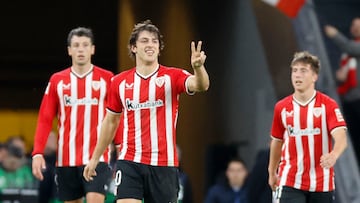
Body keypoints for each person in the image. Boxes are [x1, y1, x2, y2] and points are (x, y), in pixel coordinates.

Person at [83, 19, 210, 203]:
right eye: (144, 41)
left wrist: (198, 69)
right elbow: (111, 121)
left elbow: (201, 85)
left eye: (154, 41)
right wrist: (95, 158)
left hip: (164, 164)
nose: (150, 44)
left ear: (159, 48)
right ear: (134, 47)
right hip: (130, 161)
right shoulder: (119, 82)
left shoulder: (172, 76)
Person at [31, 27, 113, 203]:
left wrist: (120, 144)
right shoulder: (57, 80)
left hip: (97, 157)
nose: (81, 49)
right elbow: (45, 118)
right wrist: (38, 152)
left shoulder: (107, 79)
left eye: (85, 45)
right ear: (69, 50)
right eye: (76, 45)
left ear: (93, 49)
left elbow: (116, 116)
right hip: (66, 159)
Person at [268, 51, 348, 203]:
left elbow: (341, 137)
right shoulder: (282, 107)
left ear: (314, 77)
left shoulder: (328, 105)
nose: (297, 75)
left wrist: (333, 155)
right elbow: (277, 141)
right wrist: (272, 172)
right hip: (290, 181)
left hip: (321, 182)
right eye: (294, 70)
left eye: (303, 70)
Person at [324, 17, 360, 166]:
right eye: (353, 25)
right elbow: (343, 74)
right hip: (348, 99)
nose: (355, 28)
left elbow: (349, 46)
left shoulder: (352, 48)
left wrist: (334, 34)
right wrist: (339, 76)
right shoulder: (347, 56)